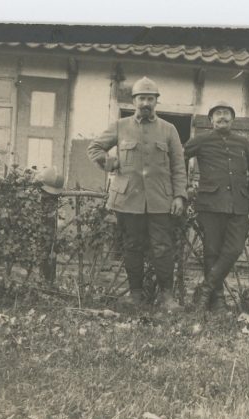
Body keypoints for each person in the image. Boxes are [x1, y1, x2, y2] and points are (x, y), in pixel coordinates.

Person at [87, 77, 187, 311]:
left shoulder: (169, 130)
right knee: (132, 246)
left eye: (150, 98)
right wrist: (109, 163)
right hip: (128, 199)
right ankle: (136, 295)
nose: (145, 103)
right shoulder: (121, 126)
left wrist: (179, 196)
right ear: (133, 101)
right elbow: (94, 148)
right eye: (141, 98)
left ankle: (167, 297)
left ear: (156, 102)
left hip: (160, 200)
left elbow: (179, 167)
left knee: (162, 247)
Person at [184, 101, 249, 313]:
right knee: (212, 252)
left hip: (238, 205)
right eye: (218, 114)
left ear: (233, 120)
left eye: (226, 113)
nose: (222, 117)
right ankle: (218, 301)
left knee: (234, 249)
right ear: (211, 120)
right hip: (210, 204)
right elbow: (179, 157)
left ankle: (206, 289)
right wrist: (185, 185)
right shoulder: (200, 141)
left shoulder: (243, 143)